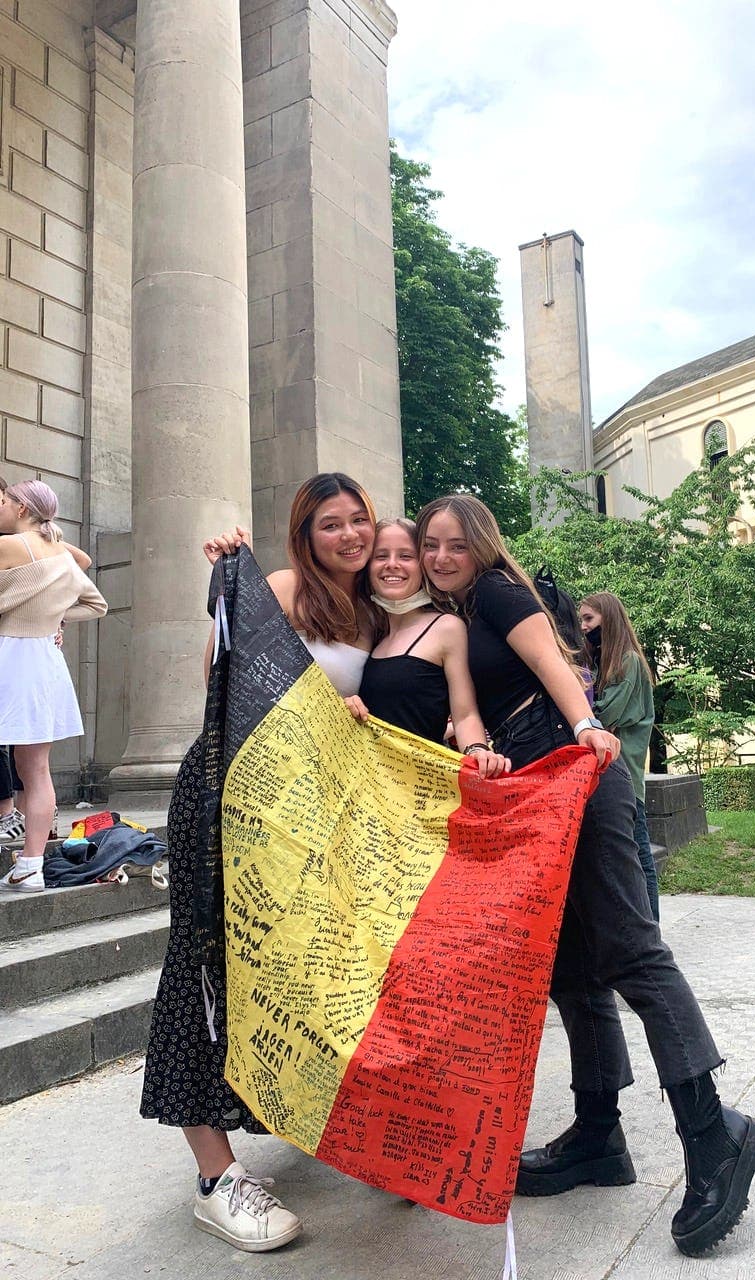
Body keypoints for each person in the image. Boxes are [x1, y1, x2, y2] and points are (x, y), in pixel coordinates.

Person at [142, 479, 506, 1254]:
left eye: (358, 522)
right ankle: (216, 1178)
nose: (347, 536)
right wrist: (229, 580)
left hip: (311, 818)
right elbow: (222, 681)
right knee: (207, 969)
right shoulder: (277, 588)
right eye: (328, 524)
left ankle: (339, 1126)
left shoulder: (375, 615)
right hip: (229, 798)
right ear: (303, 535)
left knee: (316, 973)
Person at [415, 494, 755, 1258]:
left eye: (453, 544)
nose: (440, 556)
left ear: (480, 545)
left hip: (583, 773)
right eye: (429, 546)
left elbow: (555, 668)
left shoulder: (503, 594)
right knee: (575, 971)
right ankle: (599, 1136)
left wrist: (587, 728)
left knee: (631, 954)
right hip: (541, 793)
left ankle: (714, 1135)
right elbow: (479, 705)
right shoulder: (461, 617)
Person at [0, 481, 107, 893]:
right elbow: (97, 603)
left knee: (27, 767)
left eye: (6, 502)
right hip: (45, 659)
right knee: (36, 769)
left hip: (11, 656)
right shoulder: (60, 555)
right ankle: (31, 865)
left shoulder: (13, 546)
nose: (2, 507)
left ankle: (28, 864)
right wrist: (58, 617)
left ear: (23, 508)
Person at [344, 518, 509, 779]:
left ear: (422, 565)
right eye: (381, 555)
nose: (392, 564)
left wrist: (477, 751)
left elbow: (464, 714)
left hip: (422, 790)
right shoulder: (368, 631)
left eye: (406, 555)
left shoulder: (446, 627)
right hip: (367, 790)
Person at [579, 592, 659, 920]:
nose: (583, 627)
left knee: (640, 858)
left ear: (607, 620)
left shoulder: (628, 662)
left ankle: (651, 928)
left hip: (626, 776)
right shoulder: (602, 664)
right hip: (613, 773)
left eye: (589, 619)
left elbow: (605, 713)